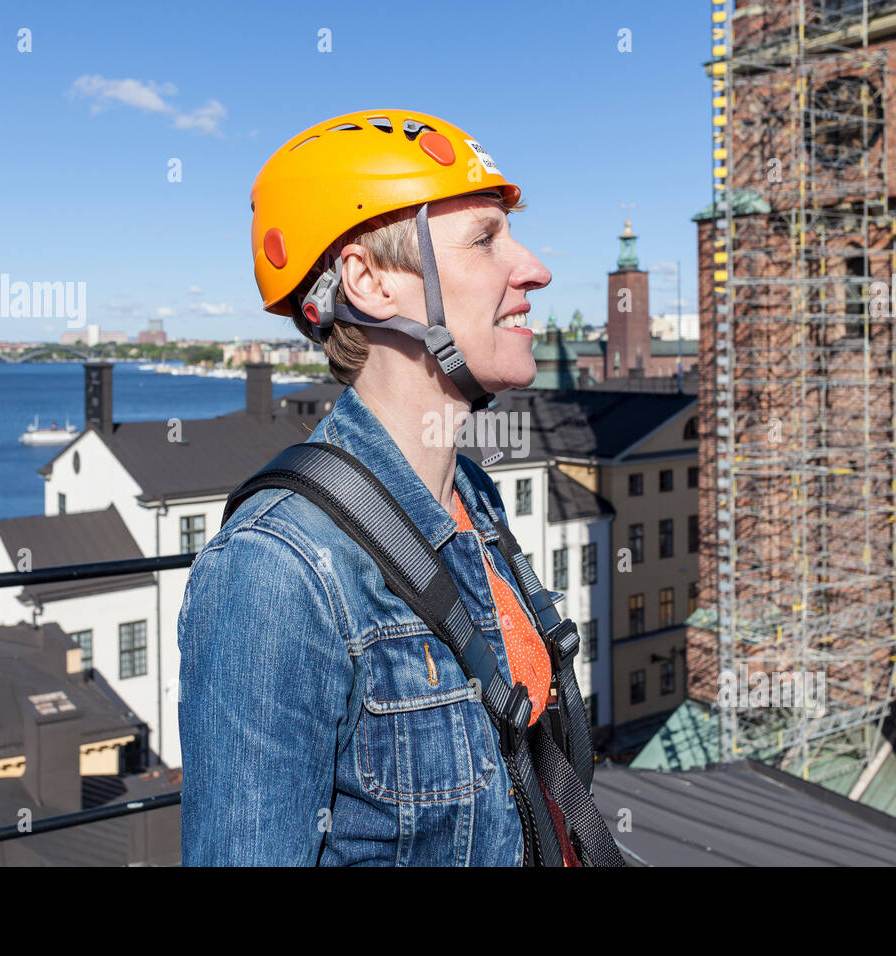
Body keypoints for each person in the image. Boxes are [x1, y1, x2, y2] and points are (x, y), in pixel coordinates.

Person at [178, 108, 603, 866]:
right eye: (484, 240)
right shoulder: (275, 571)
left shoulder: (477, 498)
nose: (534, 269)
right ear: (370, 283)